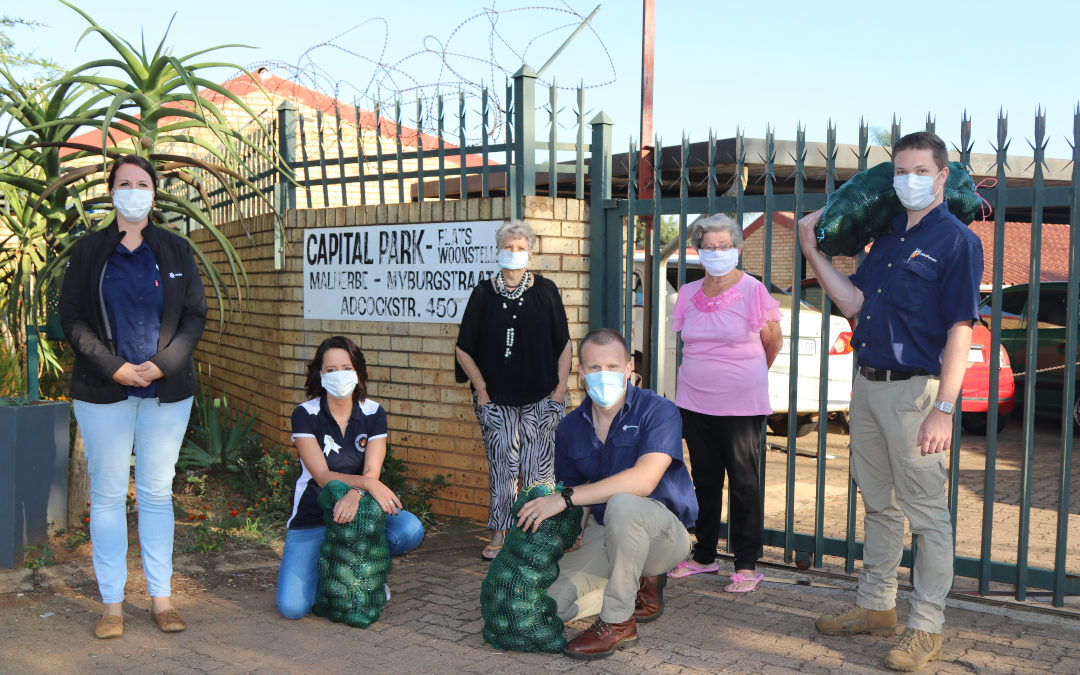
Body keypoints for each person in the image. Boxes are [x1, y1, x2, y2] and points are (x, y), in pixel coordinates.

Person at [798, 131, 983, 672]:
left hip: (915, 394)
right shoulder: (887, 239)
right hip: (867, 388)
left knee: (928, 518)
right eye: (902, 170)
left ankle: (926, 628)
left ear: (942, 175)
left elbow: (960, 330)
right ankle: (876, 607)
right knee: (879, 506)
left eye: (921, 170)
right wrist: (811, 251)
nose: (910, 180)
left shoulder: (956, 241)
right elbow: (854, 302)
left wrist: (944, 409)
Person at [60, 154, 207, 639]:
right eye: (123, 183)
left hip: (167, 391)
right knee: (106, 496)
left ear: (154, 193)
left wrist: (162, 364)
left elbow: (194, 317)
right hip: (105, 391)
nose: (133, 190)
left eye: (141, 183)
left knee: (156, 494)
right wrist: (115, 367)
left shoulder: (177, 250)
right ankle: (112, 606)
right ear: (111, 193)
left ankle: (161, 601)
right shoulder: (87, 252)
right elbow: (73, 320)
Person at [516, 328, 697, 660]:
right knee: (544, 607)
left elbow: (643, 481)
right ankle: (621, 590)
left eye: (613, 366)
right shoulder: (569, 428)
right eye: (595, 368)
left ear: (629, 368)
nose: (604, 375)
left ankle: (618, 622)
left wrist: (565, 498)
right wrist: (575, 528)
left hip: (663, 535)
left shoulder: (659, 411)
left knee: (624, 503)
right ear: (581, 372)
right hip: (606, 532)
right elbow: (576, 491)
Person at [665, 214, 782, 592]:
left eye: (724, 246)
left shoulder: (754, 291)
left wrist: (746, 376)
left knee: (744, 482)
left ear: (736, 248)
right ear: (698, 250)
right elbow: (687, 344)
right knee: (705, 479)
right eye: (709, 247)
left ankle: (747, 564)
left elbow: (773, 342)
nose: (717, 253)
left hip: (741, 404)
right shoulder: (687, 293)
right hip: (694, 400)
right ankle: (704, 556)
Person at [276, 335, 425, 620]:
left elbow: (372, 469)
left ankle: (368, 571)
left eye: (345, 367)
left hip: (360, 514)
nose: (339, 375)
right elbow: (322, 476)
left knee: (409, 529)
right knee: (292, 608)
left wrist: (357, 492)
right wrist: (367, 484)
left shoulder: (373, 412)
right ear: (319, 374)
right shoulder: (305, 414)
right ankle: (333, 569)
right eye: (330, 370)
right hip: (313, 518)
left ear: (358, 371)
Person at [455, 219, 571, 560]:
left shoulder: (546, 291)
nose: (514, 253)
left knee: (539, 469)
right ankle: (500, 533)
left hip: (542, 396)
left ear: (530, 252)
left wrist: (560, 391)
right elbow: (463, 348)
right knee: (502, 467)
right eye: (509, 247)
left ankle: (538, 535)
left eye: (521, 248)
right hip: (497, 400)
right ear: (498, 250)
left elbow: (563, 344)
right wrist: (482, 389)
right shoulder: (483, 293)